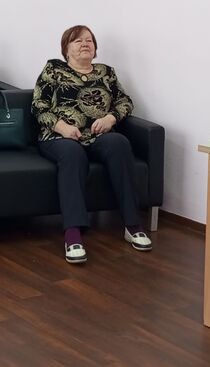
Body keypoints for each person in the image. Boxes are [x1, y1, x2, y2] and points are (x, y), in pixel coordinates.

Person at [31, 24, 152, 264]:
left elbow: (125, 102)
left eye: (89, 40)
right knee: (72, 154)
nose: (85, 44)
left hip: (98, 136)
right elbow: (38, 106)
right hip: (58, 137)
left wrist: (110, 118)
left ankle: (132, 224)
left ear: (95, 48)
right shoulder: (53, 69)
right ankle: (73, 232)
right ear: (66, 49)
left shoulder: (106, 72)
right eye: (77, 41)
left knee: (119, 143)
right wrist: (62, 127)